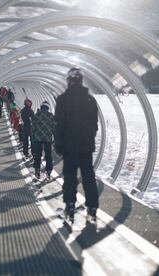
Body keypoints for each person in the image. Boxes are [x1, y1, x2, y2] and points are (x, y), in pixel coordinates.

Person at [54, 67, 99, 223]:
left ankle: (70, 208)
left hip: (69, 145)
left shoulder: (62, 100)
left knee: (70, 176)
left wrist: (58, 144)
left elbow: (59, 124)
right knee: (88, 176)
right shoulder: (90, 100)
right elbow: (95, 124)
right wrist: (88, 138)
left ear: (69, 81)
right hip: (86, 145)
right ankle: (92, 208)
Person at [32, 101, 55, 179]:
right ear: (48, 108)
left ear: (41, 108)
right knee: (48, 155)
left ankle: (37, 171)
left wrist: (34, 135)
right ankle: (48, 171)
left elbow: (33, 128)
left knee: (38, 155)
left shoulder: (36, 116)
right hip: (48, 139)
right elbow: (54, 128)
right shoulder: (51, 116)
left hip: (38, 138)